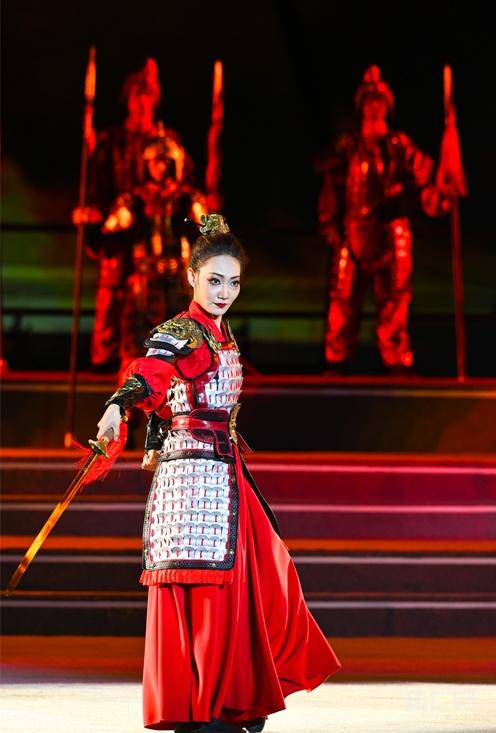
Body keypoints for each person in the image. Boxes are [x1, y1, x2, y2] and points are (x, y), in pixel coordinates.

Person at [96, 213, 341, 732]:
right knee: (209, 586)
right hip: (193, 475)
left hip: (224, 467)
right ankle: (205, 702)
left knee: (265, 573)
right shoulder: (182, 332)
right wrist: (118, 405)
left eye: (233, 282)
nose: (224, 292)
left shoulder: (220, 332)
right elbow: (151, 371)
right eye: (214, 281)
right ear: (192, 277)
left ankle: (236, 695)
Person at [316, 65, 448, 376]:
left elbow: (426, 180)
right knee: (343, 300)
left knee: (395, 299)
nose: (375, 106)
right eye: (369, 101)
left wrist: (439, 195)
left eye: (380, 101)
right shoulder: (348, 148)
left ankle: (397, 361)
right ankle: (337, 361)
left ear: (388, 107)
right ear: (361, 107)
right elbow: (330, 185)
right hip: (353, 233)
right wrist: (329, 224)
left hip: (392, 233)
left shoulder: (400, 146)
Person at [74, 58, 200, 373]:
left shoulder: (167, 142)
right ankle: (110, 361)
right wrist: (97, 214)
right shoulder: (112, 142)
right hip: (126, 226)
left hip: (162, 236)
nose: (142, 104)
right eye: (136, 97)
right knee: (115, 288)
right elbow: (99, 185)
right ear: (128, 100)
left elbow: (186, 189)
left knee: (172, 297)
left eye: (147, 97)